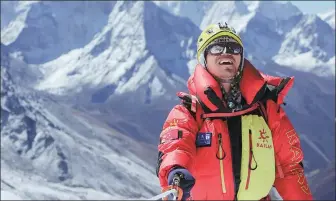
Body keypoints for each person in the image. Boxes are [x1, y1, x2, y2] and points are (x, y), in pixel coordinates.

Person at [155, 22, 313, 200]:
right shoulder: (189, 111)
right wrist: (176, 172)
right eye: (216, 47)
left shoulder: (265, 108)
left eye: (233, 48)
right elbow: (175, 147)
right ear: (203, 59)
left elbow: (289, 168)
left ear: (241, 57)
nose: (226, 52)